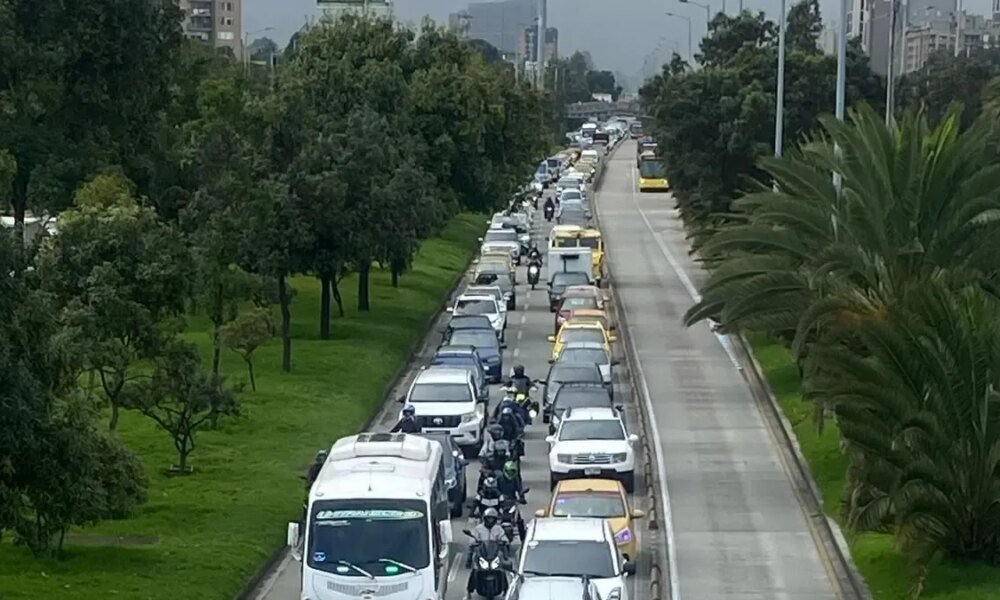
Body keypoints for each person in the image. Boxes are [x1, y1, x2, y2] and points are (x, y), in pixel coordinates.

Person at [465, 508, 508, 599]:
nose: (490, 520)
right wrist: (474, 542)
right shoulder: (478, 529)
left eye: (492, 519)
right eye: (488, 518)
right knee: (475, 570)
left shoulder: (498, 529)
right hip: (482, 553)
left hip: (494, 553)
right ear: (484, 518)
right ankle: (469, 591)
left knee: (502, 570)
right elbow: (472, 539)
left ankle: (506, 590)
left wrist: (503, 541)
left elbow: (504, 538)